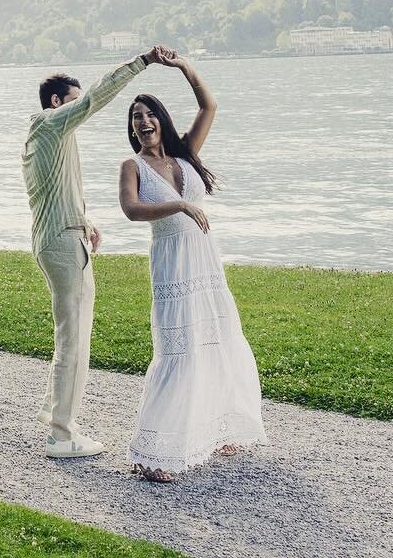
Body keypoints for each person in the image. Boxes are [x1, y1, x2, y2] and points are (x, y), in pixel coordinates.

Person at [119, 55, 266, 481]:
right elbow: (132, 209)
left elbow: (209, 106)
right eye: (135, 118)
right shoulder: (133, 166)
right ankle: (151, 453)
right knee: (178, 351)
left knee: (217, 339)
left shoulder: (185, 153)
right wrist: (181, 204)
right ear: (132, 130)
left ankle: (217, 428)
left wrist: (182, 66)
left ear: (161, 120)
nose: (142, 122)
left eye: (148, 114)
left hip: (205, 262)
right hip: (171, 264)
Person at [23, 45, 167, 458]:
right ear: (56, 102)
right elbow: (94, 99)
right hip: (64, 245)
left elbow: (52, 193)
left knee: (68, 334)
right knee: (75, 340)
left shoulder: (44, 137)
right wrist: (140, 63)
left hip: (59, 237)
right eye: (72, 101)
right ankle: (61, 435)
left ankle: (55, 415)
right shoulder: (52, 124)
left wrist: (84, 221)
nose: (78, 112)